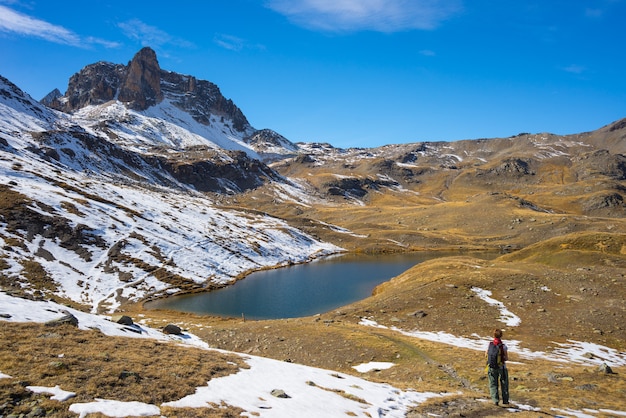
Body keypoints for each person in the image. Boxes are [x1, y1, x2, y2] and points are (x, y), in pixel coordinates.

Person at [486, 328, 509, 405]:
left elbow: (486, 354)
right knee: (504, 383)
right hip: (502, 367)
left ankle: (495, 400)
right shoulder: (503, 346)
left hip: (491, 367)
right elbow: (506, 358)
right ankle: (505, 400)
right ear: (501, 336)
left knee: (493, 383)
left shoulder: (490, 344)